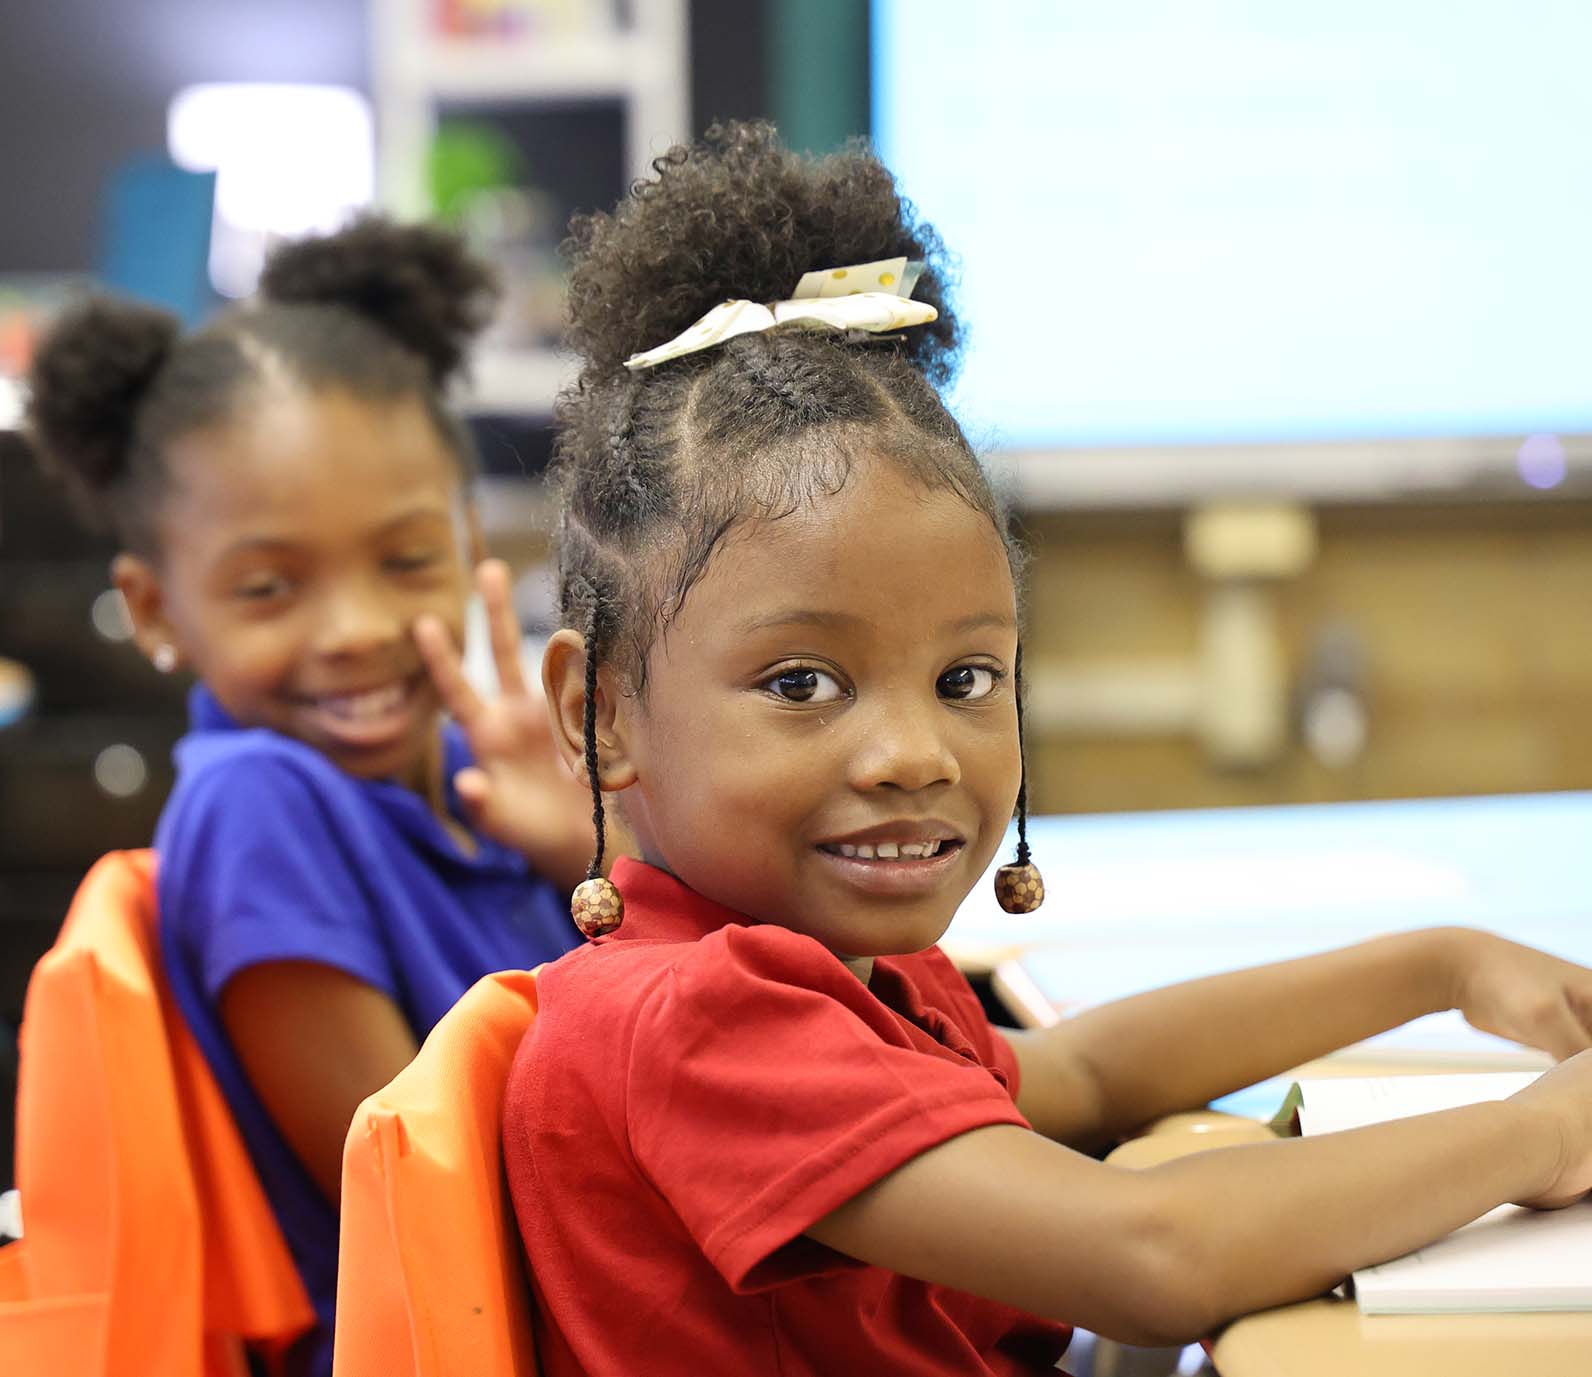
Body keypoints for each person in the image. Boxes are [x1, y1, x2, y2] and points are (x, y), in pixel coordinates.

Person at [448, 122, 1592, 1374]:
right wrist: (1537, 1136)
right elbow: (1149, 1254)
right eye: (800, 682)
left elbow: (1085, 1074)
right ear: (598, 714)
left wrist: (1438, 965)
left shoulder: (819, 971)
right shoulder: (692, 1022)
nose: (910, 751)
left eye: (965, 677)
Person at [24, 217, 596, 1374]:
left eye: (404, 561)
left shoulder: (480, 788)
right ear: (153, 609)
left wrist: (592, 844)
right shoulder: (259, 812)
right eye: (270, 586)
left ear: (468, 535)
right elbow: (420, 1187)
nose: (356, 632)